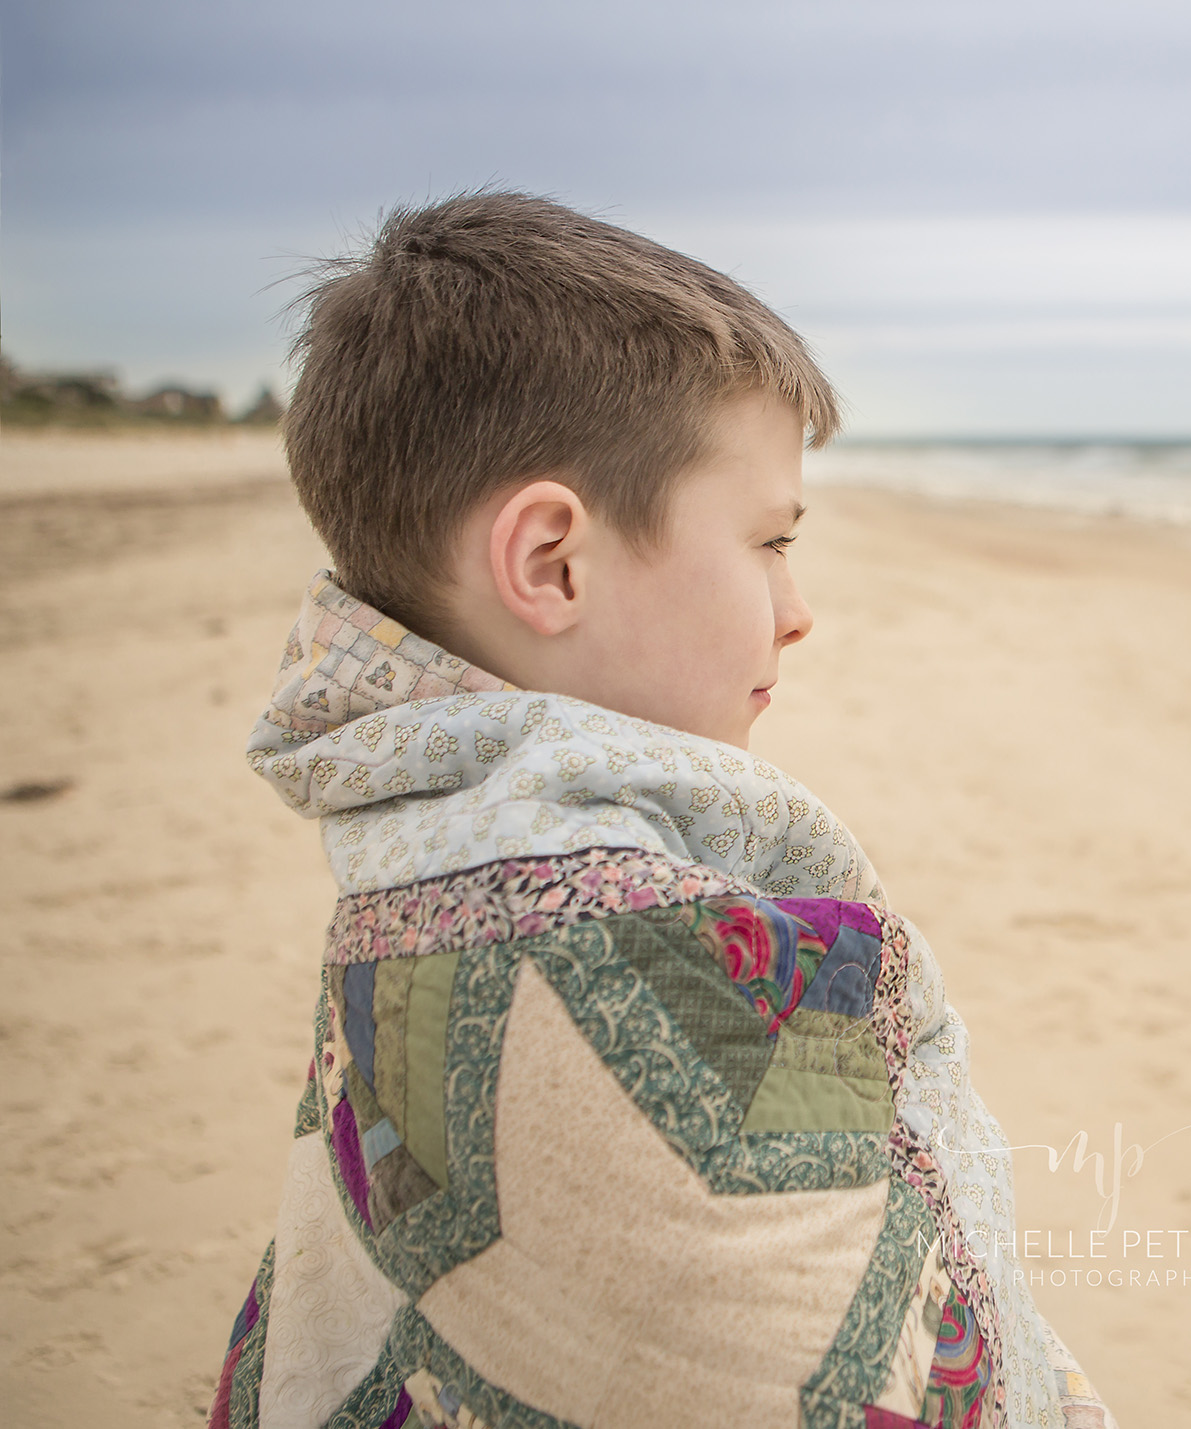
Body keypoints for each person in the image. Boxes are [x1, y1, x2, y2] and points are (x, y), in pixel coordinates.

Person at [210, 192, 1114, 1429]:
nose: (797, 610)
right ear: (552, 564)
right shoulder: (623, 945)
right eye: (768, 541)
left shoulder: (422, 847)